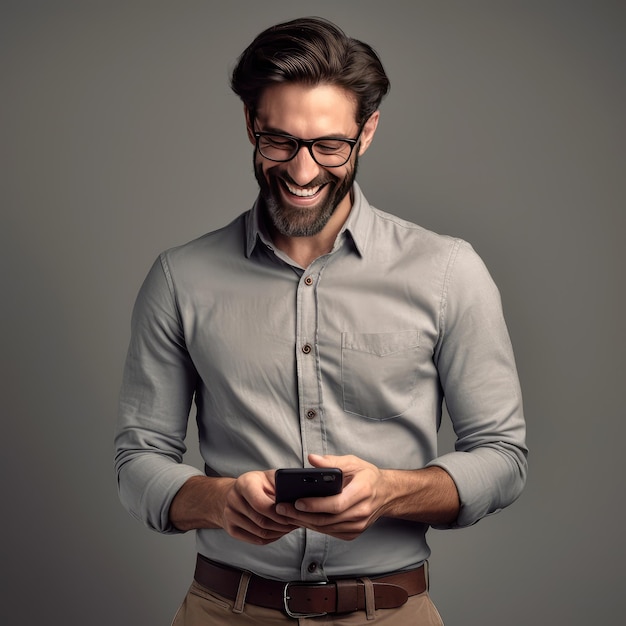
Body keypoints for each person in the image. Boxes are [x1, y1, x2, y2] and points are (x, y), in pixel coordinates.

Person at [115, 16, 527, 625]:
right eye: (278, 141)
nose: (302, 172)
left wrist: (390, 490)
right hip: (226, 612)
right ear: (250, 126)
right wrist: (217, 500)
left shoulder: (447, 272)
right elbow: (138, 459)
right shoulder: (180, 278)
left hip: (389, 613)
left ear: (367, 133)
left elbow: (502, 456)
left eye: (328, 145)